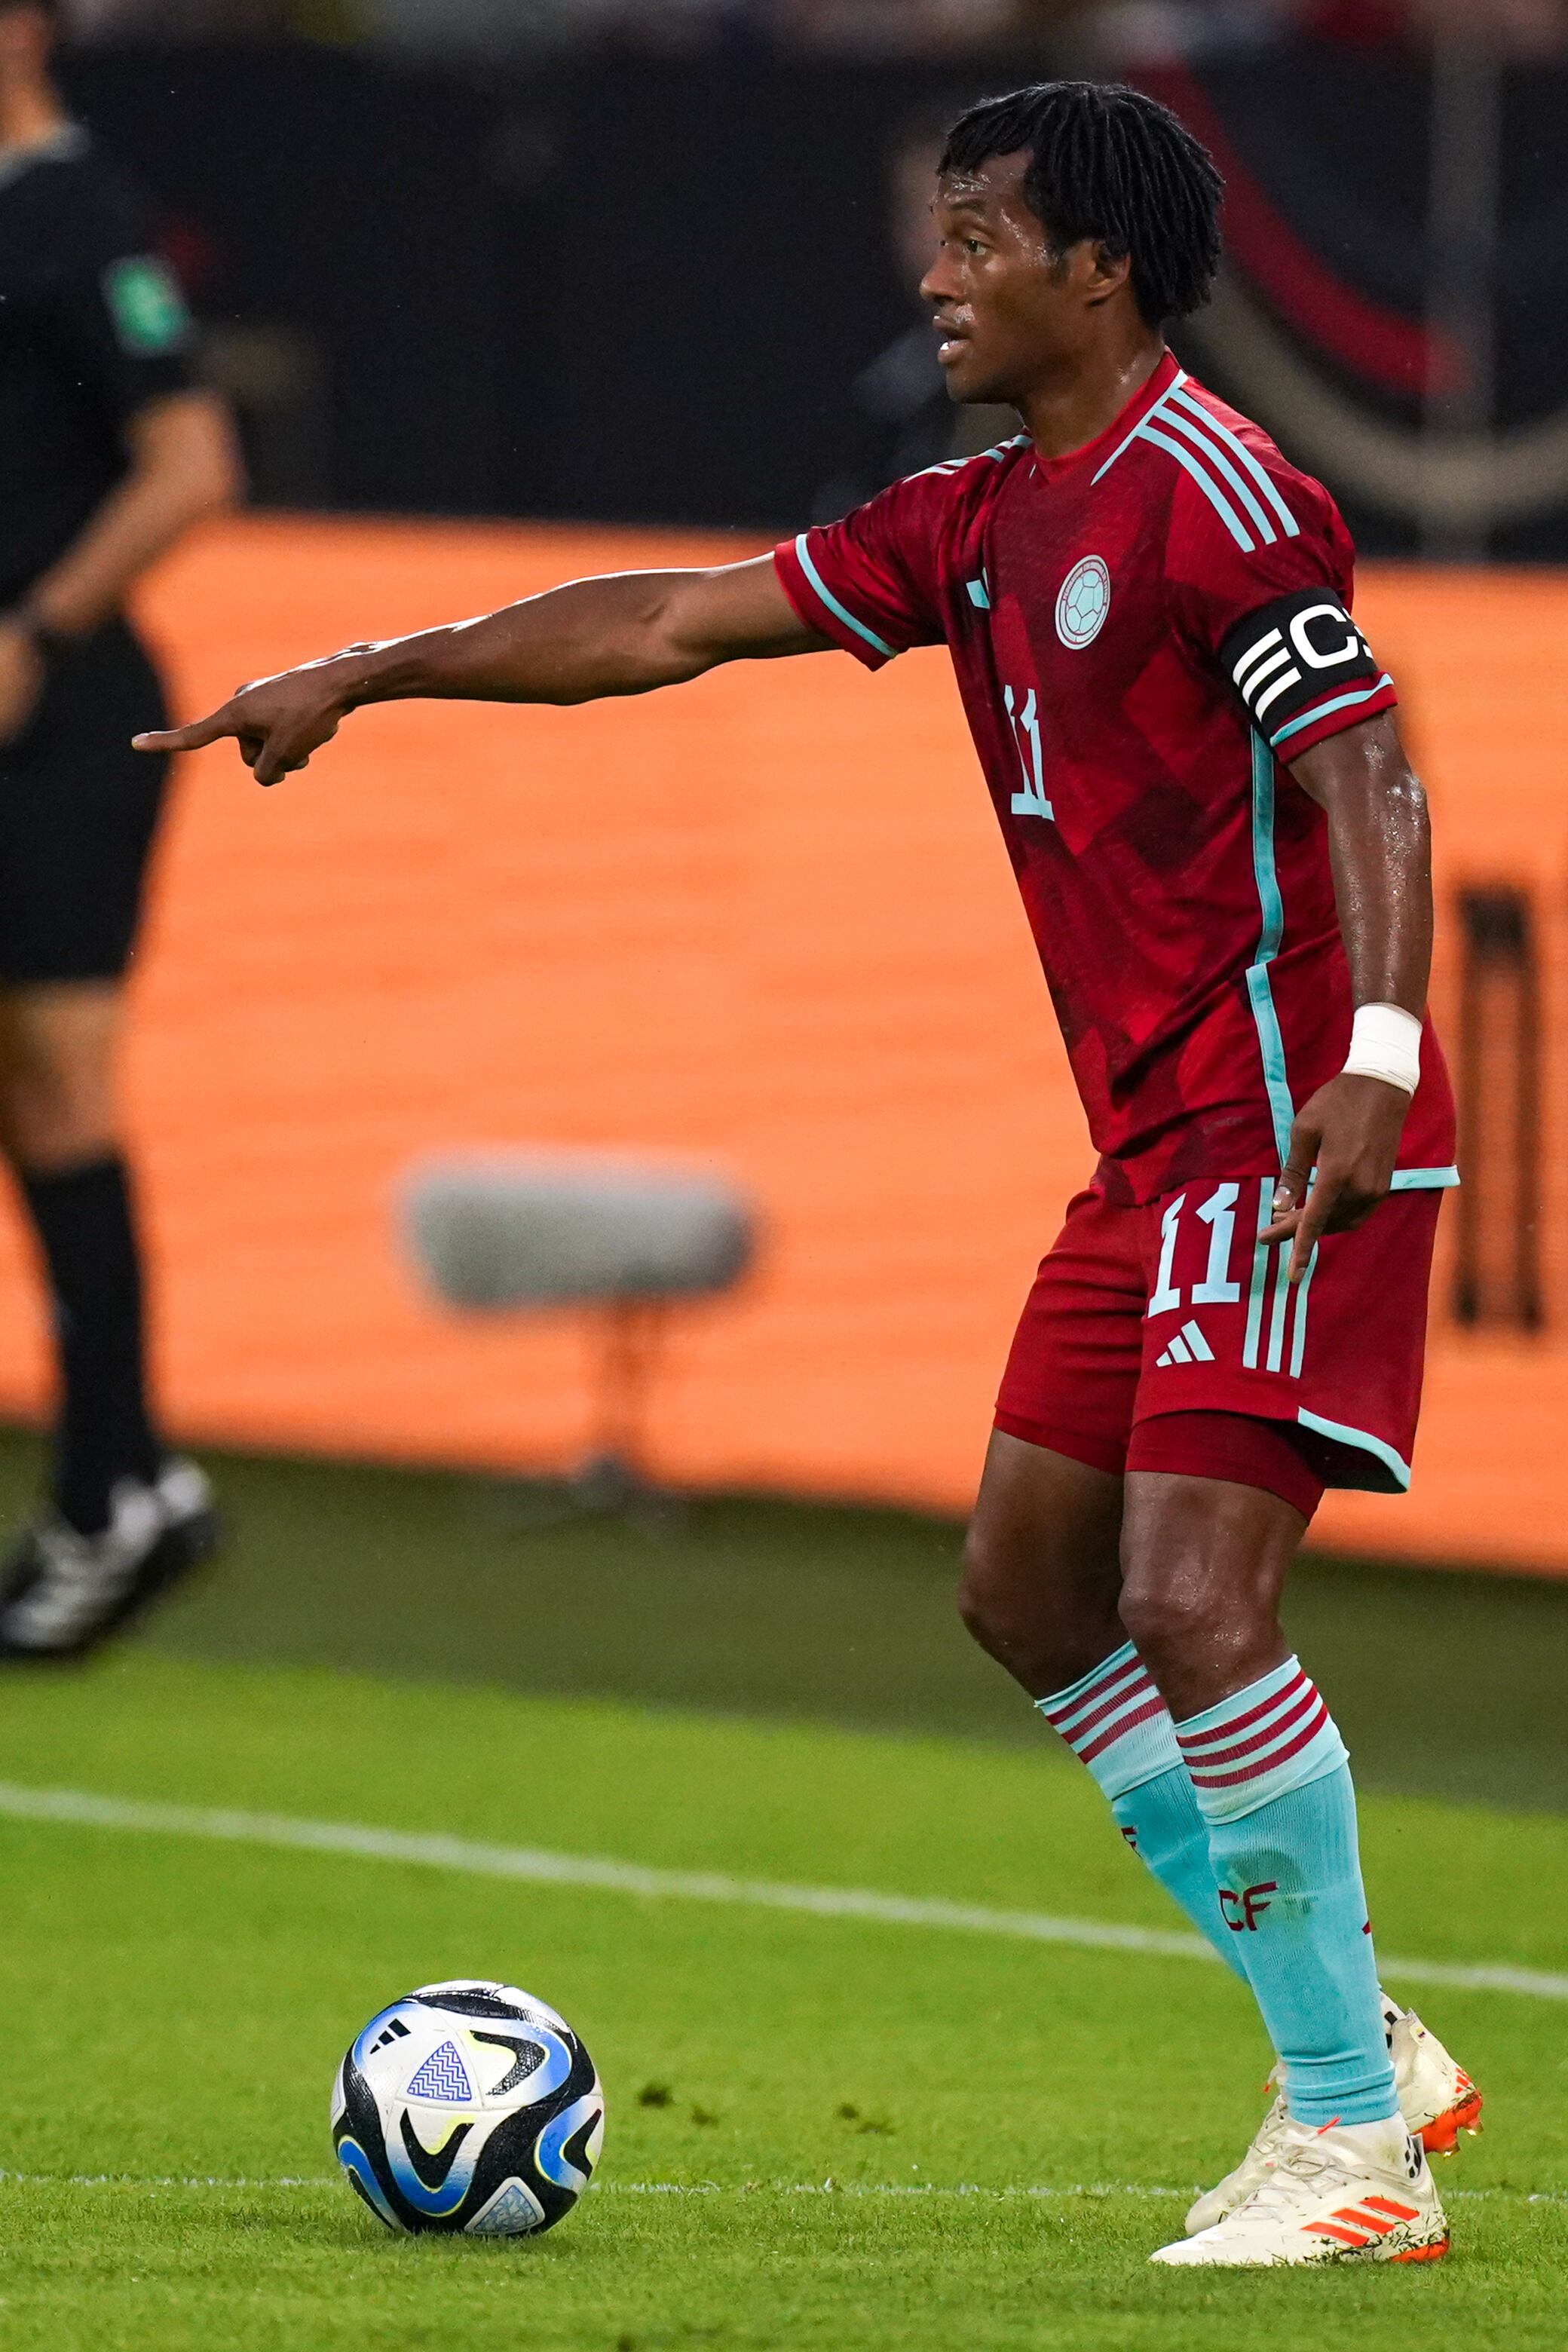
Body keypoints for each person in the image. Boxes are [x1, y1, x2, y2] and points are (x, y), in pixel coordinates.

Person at [139, 81, 1479, 2267]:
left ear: (1097, 271)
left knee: (1189, 1601)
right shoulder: (974, 520)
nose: (935, 277)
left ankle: (1351, 2147)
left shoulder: (1222, 499)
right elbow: (669, 621)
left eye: (978, 239)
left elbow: (1370, 775)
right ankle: (1364, 2045)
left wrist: (1379, 1060)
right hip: (1149, 1152)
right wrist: (377, 672)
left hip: (1284, 1126)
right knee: (1026, 1591)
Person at [0, 0, 240, 1658]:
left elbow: (192, 462)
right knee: (37, 1092)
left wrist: (37, 625)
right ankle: (122, 1475)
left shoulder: (76, 213)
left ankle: (114, 1485)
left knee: (61, 1084)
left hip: (61, 720)